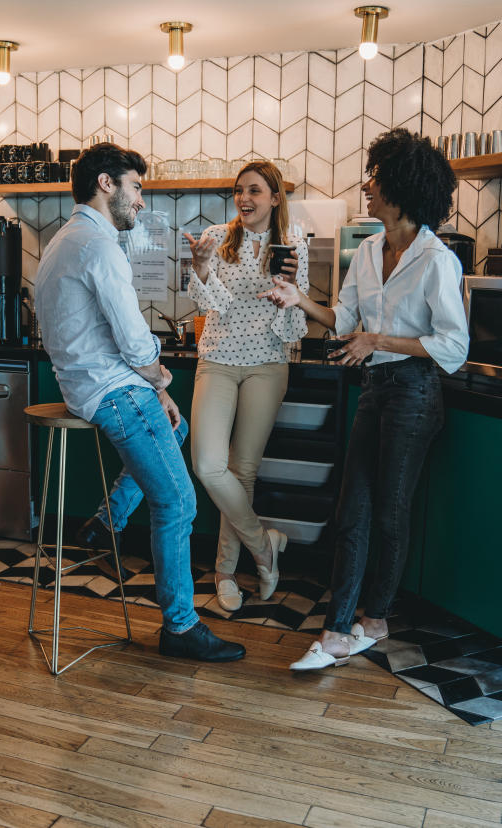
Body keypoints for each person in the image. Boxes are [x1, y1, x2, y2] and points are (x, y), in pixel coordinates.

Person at [258, 128, 469, 671]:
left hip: (415, 394)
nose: (367, 189)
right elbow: (345, 319)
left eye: (374, 180)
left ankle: (369, 620)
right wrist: (299, 298)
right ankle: (338, 629)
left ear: (400, 188)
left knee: (390, 514)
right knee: (352, 510)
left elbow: (453, 346)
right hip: (376, 389)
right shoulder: (370, 251)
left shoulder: (436, 260)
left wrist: (379, 341)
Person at [33, 142, 245, 662]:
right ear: (106, 184)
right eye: (137, 188)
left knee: (176, 429)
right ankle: (179, 626)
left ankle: (107, 522)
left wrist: (155, 387)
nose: (142, 201)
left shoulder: (64, 240)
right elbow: (133, 341)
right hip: (115, 390)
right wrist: (159, 376)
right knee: (179, 503)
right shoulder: (98, 246)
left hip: (86, 388)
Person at [183, 161, 309, 612]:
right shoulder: (217, 237)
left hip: (268, 363)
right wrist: (199, 268)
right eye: (239, 191)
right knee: (207, 464)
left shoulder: (293, 246)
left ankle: (225, 572)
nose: (244, 199)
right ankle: (263, 547)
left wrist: (289, 290)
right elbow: (209, 302)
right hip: (217, 359)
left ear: (275, 197)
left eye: (254, 191)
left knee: (242, 473)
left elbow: (295, 327)